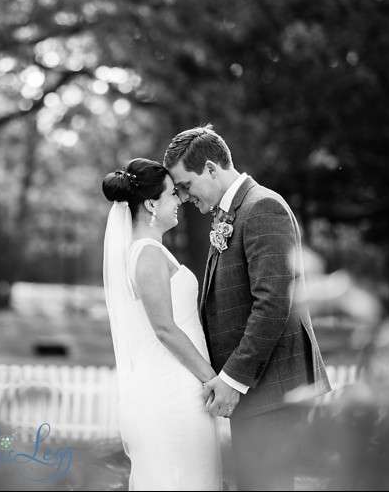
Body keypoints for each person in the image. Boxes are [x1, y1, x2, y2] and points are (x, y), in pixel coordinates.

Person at [164, 124, 332, 491]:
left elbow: (273, 303)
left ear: (211, 168)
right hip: (259, 388)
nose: (183, 197)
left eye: (186, 186)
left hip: (272, 387)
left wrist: (232, 379)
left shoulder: (262, 207)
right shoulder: (232, 213)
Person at [101, 158, 221, 491]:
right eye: (172, 194)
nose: (180, 200)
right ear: (152, 202)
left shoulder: (150, 251)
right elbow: (164, 328)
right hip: (172, 392)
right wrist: (213, 379)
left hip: (179, 385)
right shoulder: (147, 253)